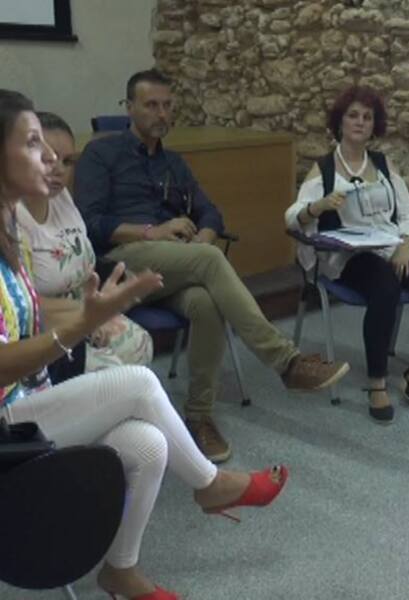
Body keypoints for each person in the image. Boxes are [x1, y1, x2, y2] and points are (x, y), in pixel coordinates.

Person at [0, 89, 288, 600]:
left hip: (25, 402)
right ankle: (209, 484)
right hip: (6, 426)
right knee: (137, 384)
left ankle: (120, 571)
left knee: (149, 444)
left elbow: (28, 313)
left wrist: (94, 313)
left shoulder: (7, 230)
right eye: (32, 144)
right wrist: (80, 325)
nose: (49, 159)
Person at [74, 69, 349, 463]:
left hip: (176, 263)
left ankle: (199, 417)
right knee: (208, 260)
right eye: (151, 105)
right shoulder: (101, 155)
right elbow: (91, 223)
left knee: (204, 303)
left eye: (168, 106)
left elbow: (210, 211)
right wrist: (152, 232)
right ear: (129, 107)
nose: (161, 114)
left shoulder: (174, 163)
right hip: (123, 261)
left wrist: (202, 236)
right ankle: (286, 362)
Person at [285, 85, 409, 424]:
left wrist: (405, 245)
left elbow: (408, 215)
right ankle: (376, 382)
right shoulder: (324, 169)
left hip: (393, 243)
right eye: (353, 116)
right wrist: (317, 206)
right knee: (386, 289)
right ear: (340, 122)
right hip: (350, 255)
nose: (360, 122)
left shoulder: (383, 164)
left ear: (374, 125)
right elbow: (293, 217)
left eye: (367, 117)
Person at [17, 111, 153, 372]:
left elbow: (85, 258)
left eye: (68, 161)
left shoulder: (61, 197)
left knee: (139, 347)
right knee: (116, 375)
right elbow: (21, 303)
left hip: (83, 304)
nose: (59, 169)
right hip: (39, 325)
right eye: (49, 158)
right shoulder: (11, 217)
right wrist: (87, 317)